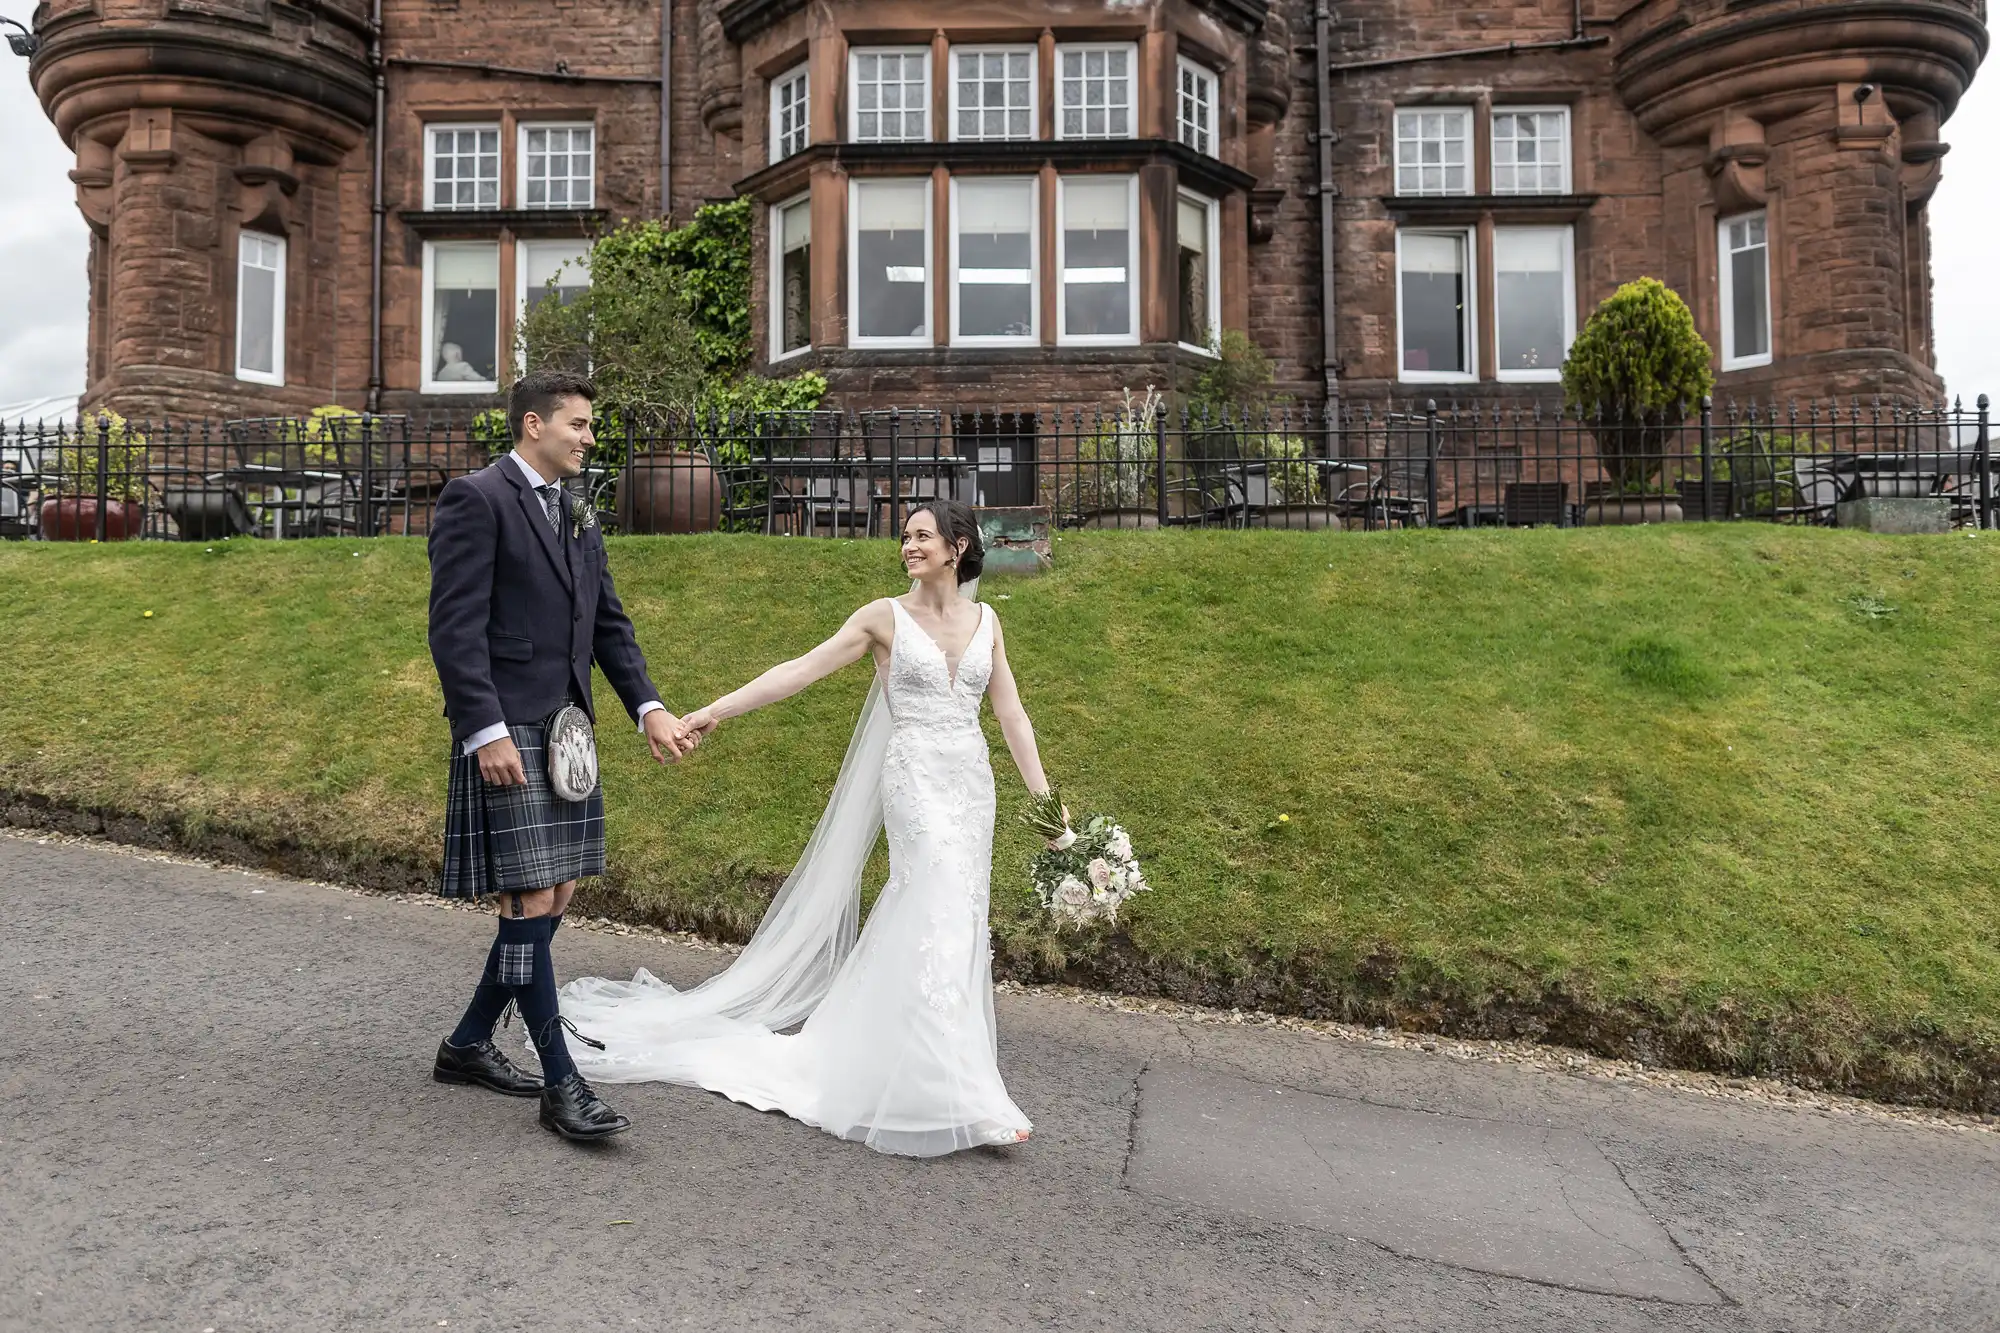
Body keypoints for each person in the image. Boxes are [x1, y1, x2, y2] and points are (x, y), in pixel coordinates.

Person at [559, 500, 1056, 1155]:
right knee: (933, 902)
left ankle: (933, 1073)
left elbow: (1012, 714)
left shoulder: (988, 621)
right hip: (915, 781)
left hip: (971, 783)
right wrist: (716, 709)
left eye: (921, 535)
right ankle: (958, 1090)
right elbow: (800, 669)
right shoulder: (883, 617)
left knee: (957, 921)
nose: (907, 545)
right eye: (905, 535)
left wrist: (1049, 807)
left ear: (957, 546)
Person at [425, 368, 695, 1141]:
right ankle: (561, 1081)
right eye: (577, 424)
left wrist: (646, 705)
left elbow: (609, 620)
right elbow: (454, 629)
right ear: (533, 424)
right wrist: (486, 730)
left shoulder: (575, 509)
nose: (588, 437)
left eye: (590, 426)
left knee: (560, 890)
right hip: (510, 729)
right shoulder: (475, 500)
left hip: (566, 732)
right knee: (528, 899)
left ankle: (470, 1042)